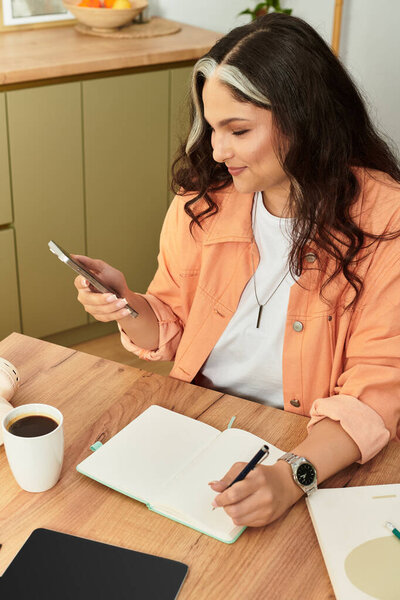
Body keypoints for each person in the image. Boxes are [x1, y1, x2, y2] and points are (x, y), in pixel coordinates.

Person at [73, 13, 400, 528]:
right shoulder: (202, 201)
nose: (217, 150)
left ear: (304, 118)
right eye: (212, 127)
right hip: (201, 429)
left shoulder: (386, 221)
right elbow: (171, 324)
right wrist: (126, 304)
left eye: (238, 130)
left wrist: (293, 474)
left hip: (310, 447)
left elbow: (378, 392)